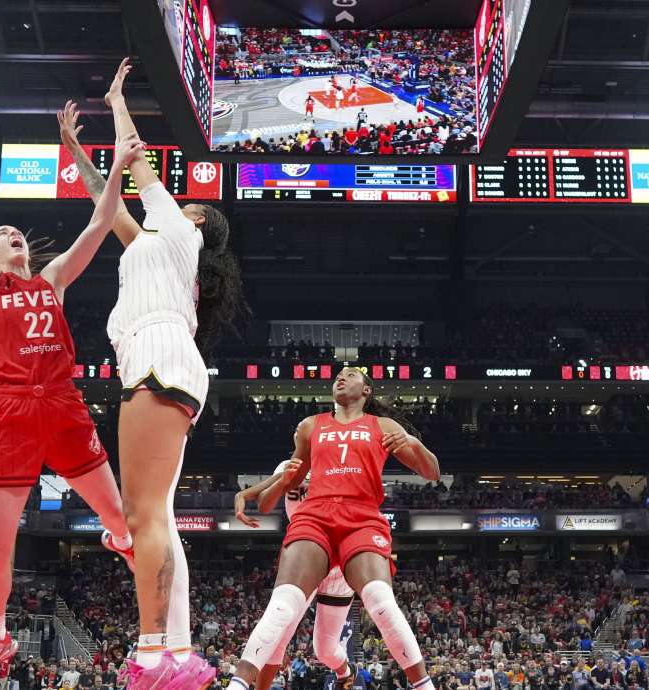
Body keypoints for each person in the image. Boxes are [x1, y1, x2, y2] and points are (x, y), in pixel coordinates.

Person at [0, 74, 139, 690]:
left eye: (14, 234)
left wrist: (116, 164)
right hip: (11, 412)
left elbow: (101, 225)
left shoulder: (51, 281)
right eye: (1, 237)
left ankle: (119, 537)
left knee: (120, 519)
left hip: (63, 403)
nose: (9, 235)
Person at [92, 58, 247, 689]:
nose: (182, 200)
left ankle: (153, 654)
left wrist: (116, 102)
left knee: (144, 514)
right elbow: (110, 211)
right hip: (164, 356)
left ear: (200, 220)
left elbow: (139, 161)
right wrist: (79, 149)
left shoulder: (180, 232)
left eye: (194, 203)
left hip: (156, 353)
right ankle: (175, 649)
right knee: (152, 512)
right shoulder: (156, 244)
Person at [229, 367, 440, 690]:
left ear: (367, 390)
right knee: (283, 607)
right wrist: (251, 492)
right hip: (316, 518)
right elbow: (285, 483)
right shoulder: (310, 426)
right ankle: (239, 685)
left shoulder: (383, 426)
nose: (341, 377)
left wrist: (415, 442)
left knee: (379, 602)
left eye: (351, 374)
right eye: (338, 375)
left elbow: (431, 472)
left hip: (361, 516)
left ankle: (420, 684)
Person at [232, 459, 357, 690]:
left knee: (325, 650)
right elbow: (262, 502)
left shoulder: (342, 464)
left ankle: (346, 671)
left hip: (338, 560)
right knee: (278, 635)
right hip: (306, 554)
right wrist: (283, 482)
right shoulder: (289, 465)